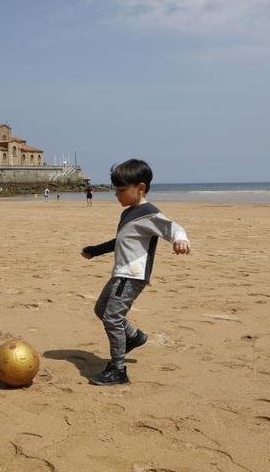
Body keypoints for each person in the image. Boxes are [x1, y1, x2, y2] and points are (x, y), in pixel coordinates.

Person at [80, 159, 190, 385]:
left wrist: (181, 240)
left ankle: (118, 370)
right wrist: (95, 250)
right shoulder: (129, 212)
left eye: (121, 190)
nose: (116, 195)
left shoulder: (149, 214)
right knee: (101, 309)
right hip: (120, 273)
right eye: (115, 190)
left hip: (132, 275)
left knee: (112, 318)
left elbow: (173, 228)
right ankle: (133, 336)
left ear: (140, 188)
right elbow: (120, 241)